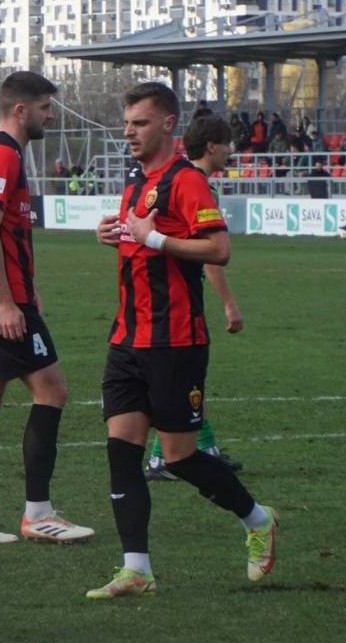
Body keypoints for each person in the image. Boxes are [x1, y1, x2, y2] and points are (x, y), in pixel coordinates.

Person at [90, 82, 278, 599]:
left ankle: (258, 520)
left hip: (175, 341)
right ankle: (136, 569)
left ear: (168, 125)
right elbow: (137, 242)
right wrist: (114, 235)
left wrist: (153, 238)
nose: (129, 132)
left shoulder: (187, 181)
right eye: (127, 123)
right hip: (127, 338)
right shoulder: (136, 181)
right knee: (122, 452)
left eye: (140, 123)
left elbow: (219, 249)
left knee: (178, 458)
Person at [0, 71, 94, 545]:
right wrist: (7, 302)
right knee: (52, 390)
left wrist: (26, 288)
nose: (50, 116)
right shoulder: (2, 153)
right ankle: (38, 513)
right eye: (45, 108)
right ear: (20, 110)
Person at [145, 114, 245, 481]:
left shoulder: (178, 178)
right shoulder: (195, 185)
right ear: (212, 146)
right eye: (227, 144)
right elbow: (211, 254)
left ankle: (202, 448)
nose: (231, 150)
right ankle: (163, 457)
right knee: (179, 379)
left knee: (183, 379)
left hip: (167, 296)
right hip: (176, 300)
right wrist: (229, 302)